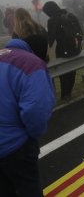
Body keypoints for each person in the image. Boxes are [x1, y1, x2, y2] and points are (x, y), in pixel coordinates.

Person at [0, 38, 55, 196]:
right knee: (29, 189)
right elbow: (37, 109)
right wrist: (34, 134)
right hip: (14, 145)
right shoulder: (31, 63)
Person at [43, 1, 83, 100]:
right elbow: (80, 32)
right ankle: (68, 93)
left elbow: (51, 41)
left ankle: (65, 95)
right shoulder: (70, 15)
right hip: (74, 49)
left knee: (63, 73)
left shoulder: (52, 20)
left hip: (61, 50)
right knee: (72, 70)